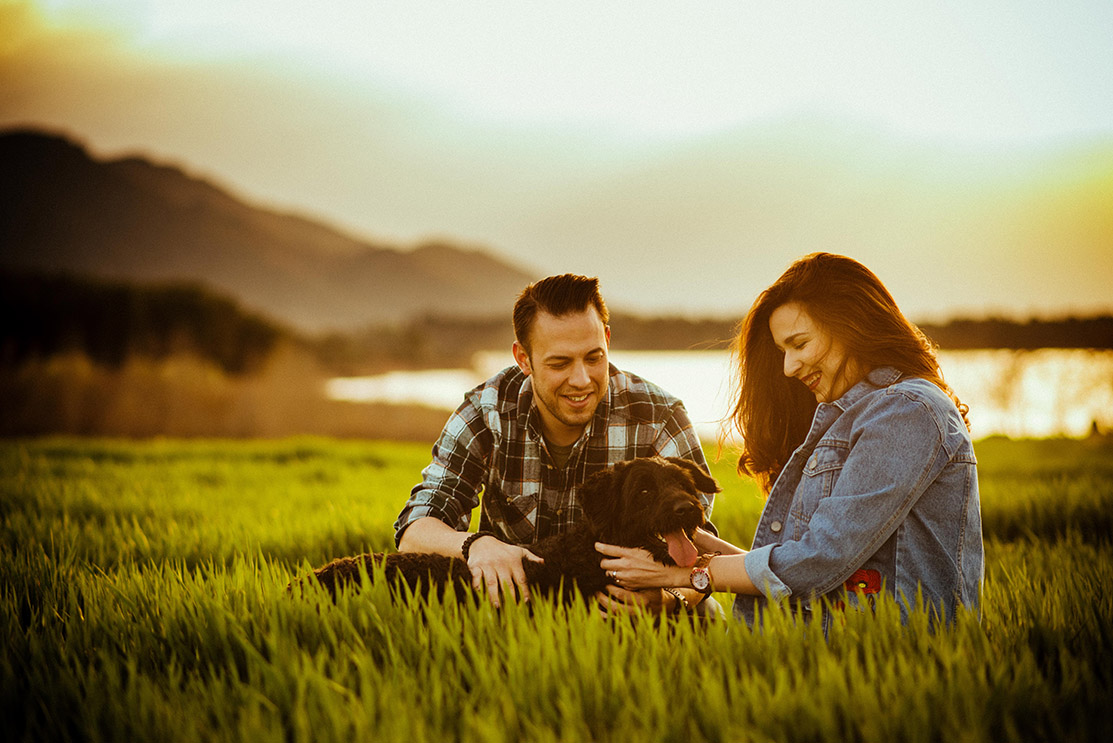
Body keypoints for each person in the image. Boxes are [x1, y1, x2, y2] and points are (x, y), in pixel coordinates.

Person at [597, 253, 983, 627]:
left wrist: (681, 577)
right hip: (824, 652)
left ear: (851, 323)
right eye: (783, 351)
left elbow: (819, 560)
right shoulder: (849, 418)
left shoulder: (905, 411)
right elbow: (797, 567)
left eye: (799, 344)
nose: (788, 367)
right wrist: (701, 546)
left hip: (892, 662)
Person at [394, 273, 719, 615]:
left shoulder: (659, 415)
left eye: (594, 358)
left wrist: (670, 598)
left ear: (607, 339)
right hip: (518, 599)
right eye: (560, 363)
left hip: (625, 598)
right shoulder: (486, 411)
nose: (581, 380)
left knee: (708, 614)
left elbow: (703, 547)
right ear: (523, 358)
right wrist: (478, 544)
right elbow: (416, 528)